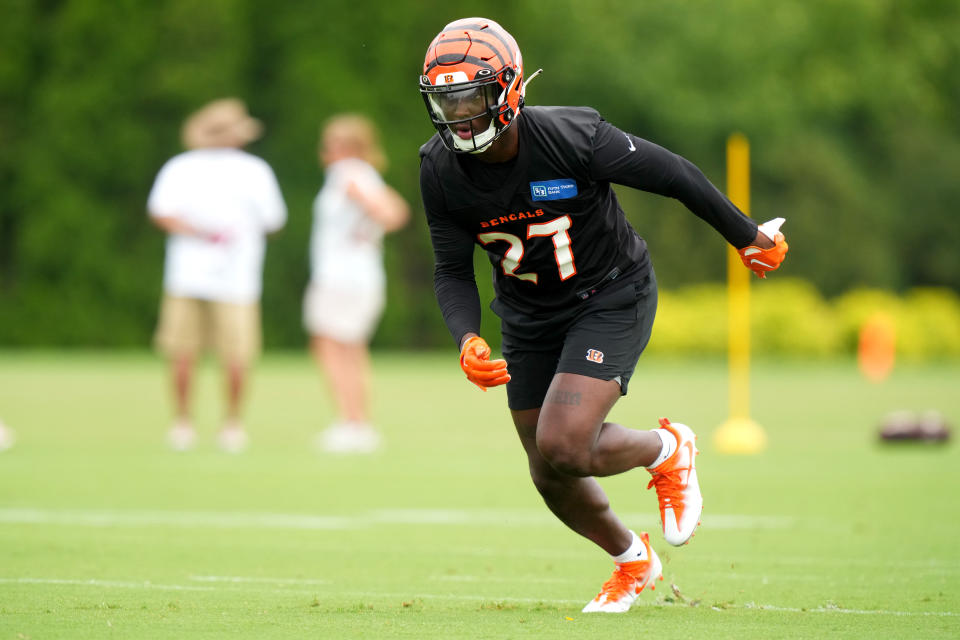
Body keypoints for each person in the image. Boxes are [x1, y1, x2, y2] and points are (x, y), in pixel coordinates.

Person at [417, 18, 789, 613]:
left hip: (609, 294)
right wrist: (466, 337)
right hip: (527, 313)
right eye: (447, 100)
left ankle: (666, 448)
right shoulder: (437, 166)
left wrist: (745, 235)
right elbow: (451, 268)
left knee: (564, 443)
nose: (461, 116)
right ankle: (631, 560)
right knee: (547, 469)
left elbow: (673, 175)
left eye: (472, 97)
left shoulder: (571, 135)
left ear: (509, 91)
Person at [148, 98, 287, 453]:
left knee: (183, 352)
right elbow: (274, 220)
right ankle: (232, 424)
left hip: (190, 275)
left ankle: (182, 423)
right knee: (234, 354)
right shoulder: (254, 170)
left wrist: (195, 231)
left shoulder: (180, 167)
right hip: (231, 278)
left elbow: (161, 213)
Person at [304, 114, 410, 453]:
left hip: (341, 277)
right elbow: (399, 210)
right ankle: (355, 421)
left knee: (335, 348)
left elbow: (392, 214)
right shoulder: (366, 174)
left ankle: (352, 422)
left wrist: (368, 213)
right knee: (349, 349)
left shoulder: (348, 174)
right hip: (357, 276)